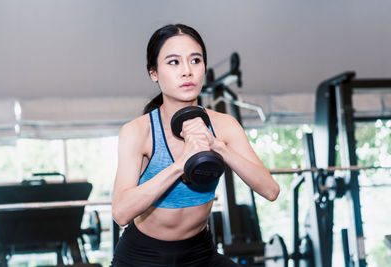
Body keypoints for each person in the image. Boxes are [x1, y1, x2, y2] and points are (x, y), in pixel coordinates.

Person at [111, 24, 280, 267]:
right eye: (173, 62)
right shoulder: (139, 131)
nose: (187, 71)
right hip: (143, 257)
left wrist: (219, 147)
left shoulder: (224, 125)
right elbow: (121, 213)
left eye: (195, 60)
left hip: (200, 253)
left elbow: (270, 191)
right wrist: (180, 165)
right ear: (154, 73)